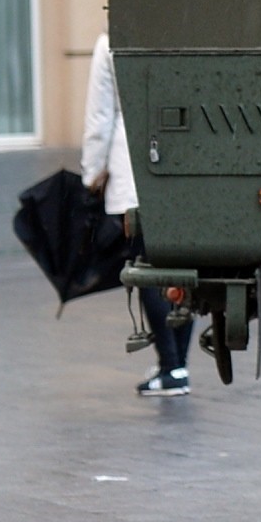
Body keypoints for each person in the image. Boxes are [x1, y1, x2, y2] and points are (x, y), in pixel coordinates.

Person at [84, 29, 192, 398]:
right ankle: (178, 365)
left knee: (147, 269)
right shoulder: (185, 32)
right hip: (186, 166)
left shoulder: (110, 42)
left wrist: (91, 173)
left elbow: (100, 117)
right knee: (184, 269)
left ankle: (171, 367)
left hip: (132, 168)